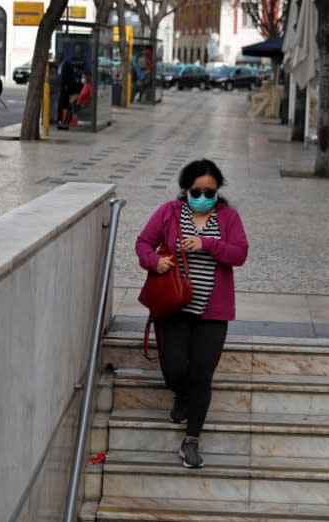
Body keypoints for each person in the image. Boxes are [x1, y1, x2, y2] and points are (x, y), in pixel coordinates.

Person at [135, 159, 249, 469]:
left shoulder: (228, 218)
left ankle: (191, 441)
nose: (202, 196)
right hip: (173, 307)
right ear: (186, 189)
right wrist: (153, 262)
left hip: (213, 313)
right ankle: (181, 394)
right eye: (196, 191)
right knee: (174, 369)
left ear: (217, 190)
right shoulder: (169, 212)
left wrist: (207, 244)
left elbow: (239, 253)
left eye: (209, 191)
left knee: (202, 376)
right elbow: (143, 243)